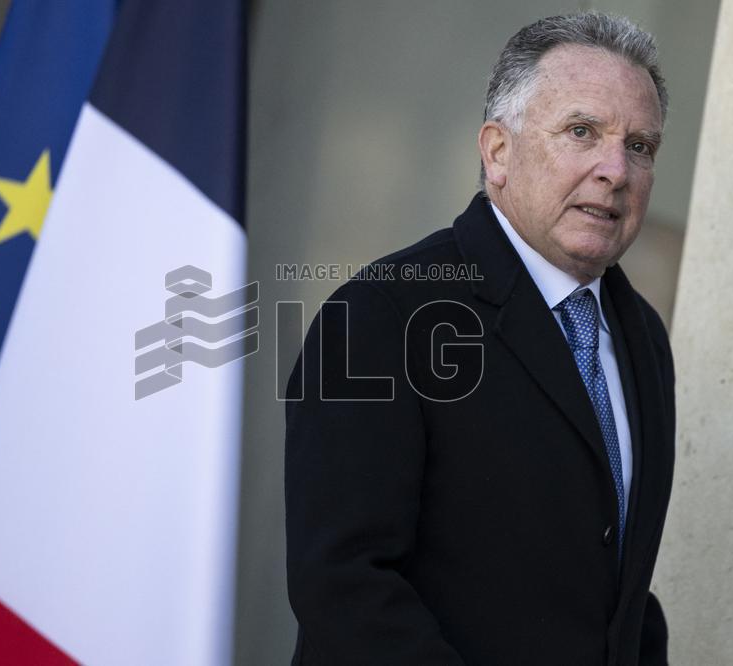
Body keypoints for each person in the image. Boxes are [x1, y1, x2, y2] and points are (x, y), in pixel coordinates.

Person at [284, 12, 675, 665]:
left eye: (640, 146)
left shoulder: (643, 339)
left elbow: (620, 591)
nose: (615, 169)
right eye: (582, 131)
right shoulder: (379, 314)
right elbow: (345, 588)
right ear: (497, 151)